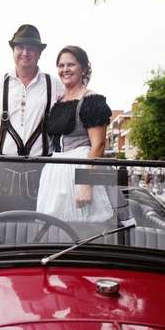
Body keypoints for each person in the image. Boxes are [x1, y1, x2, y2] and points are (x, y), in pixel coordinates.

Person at [0, 24, 63, 213]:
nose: (25, 52)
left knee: (40, 230)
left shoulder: (55, 85)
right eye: (20, 47)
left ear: (39, 53)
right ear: (13, 51)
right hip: (2, 171)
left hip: (42, 171)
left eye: (31, 48)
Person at [36, 46, 113, 222]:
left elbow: (99, 145)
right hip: (55, 172)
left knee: (81, 226)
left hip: (79, 170)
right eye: (61, 65)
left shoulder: (91, 100)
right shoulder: (59, 101)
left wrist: (86, 184)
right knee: (52, 227)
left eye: (71, 64)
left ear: (84, 68)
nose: (65, 70)